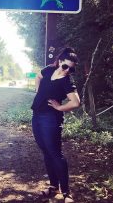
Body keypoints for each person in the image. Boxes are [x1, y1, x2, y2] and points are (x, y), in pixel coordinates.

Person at [32, 47, 80, 203]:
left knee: (55, 154)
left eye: (71, 69)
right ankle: (54, 186)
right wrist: (38, 91)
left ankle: (66, 193)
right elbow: (38, 77)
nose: (67, 71)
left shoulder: (67, 81)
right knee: (46, 151)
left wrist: (59, 107)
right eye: (65, 66)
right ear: (59, 62)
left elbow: (76, 102)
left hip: (51, 118)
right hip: (37, 115)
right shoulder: (48, 70)